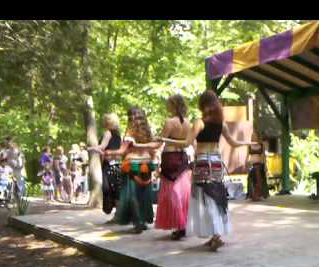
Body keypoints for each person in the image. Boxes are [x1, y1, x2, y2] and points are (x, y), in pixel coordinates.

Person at [163, 90, 255, 251]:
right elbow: (233, 142)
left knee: (205, 198)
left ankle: (216, 235)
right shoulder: (221, 123)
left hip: (203, 162)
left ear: (202, 104)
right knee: (216, 197)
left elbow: (186, 143)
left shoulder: (200, 122)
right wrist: (247, 143)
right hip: (217, 162)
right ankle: (215, 234)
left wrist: (164, 140)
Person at [101, 107, 161, 233]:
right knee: (144, 195)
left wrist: (107, 152)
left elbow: (122, 151)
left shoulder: (129, 134)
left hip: (132, 165)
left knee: (132, 195)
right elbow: (155, 146)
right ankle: (143, 221)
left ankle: (138, 221)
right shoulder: (148, 133)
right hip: (146, 165)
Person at [155, 94, 192, 240]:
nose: (167, 106)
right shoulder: (188, 123)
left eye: (169, 104)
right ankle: (183, 224)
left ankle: (179, 225)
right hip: (182, 158)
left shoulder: (169, 122)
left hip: (169, 157)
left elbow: (160, 143)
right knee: (182, 192)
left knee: (171, 193)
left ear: (174, 105)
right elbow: (188, 142)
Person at [89, 113, 123, 217]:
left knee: (108, 189)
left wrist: (92, 148)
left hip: (108, 165)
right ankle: (119, 214)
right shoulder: (118, 135)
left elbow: (103, 147)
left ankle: (117, 214)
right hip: (117, 164)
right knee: (116, 189)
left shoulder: (108, 133)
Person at [246, 132, 269, 201]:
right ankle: (253, 195)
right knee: (251, 178)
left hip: (259, 164)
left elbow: (264, 156)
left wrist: (265, 165)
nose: (253, 137)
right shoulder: (249, 145)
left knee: (258, 176)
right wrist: (246, 164)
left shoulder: (261, 145)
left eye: (255, 136)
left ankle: (259, 194)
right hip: (252, 164)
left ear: (257, 137)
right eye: (252, 136)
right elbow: (247, 156)